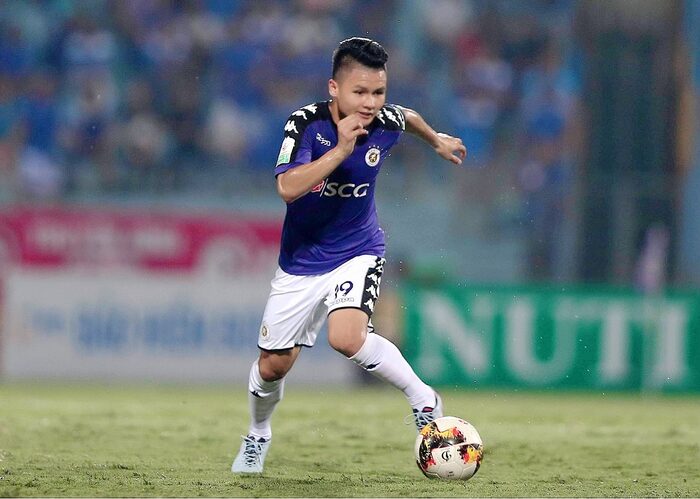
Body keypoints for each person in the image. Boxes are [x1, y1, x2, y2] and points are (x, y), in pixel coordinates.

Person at [231, 37, 467, 474]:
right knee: (272, 366)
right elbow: (287, 188)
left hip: (359, 249)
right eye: (360, 92)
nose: (371, 103)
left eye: (378, 92)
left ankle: (424, 399)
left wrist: (436, 141)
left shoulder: (384, 120)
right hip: (301, 261)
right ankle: (257, 435)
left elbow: (408, 116)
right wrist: (340, 150)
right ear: (334, 89)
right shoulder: (306, 124)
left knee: (346, 338)